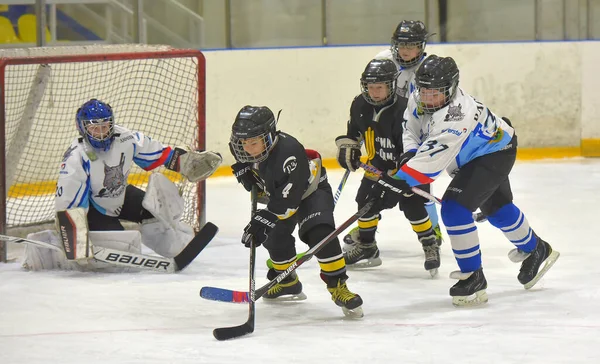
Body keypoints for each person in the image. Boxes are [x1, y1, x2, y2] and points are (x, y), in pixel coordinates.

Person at [371, 55, 560, 306]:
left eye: (435, 93)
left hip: (495, 152)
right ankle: (537, 249)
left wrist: (396, 182)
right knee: (496, 208)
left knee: (455, 209)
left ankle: (473, 276)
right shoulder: (421, 94)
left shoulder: (457, 116)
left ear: (450, 88)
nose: (427, 99)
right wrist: (409, 154)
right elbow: (411, 127)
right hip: (474, 153)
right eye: (424, 92)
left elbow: (428, 167)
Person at [22, 99, 222, 271]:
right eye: (94, 127)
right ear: (83, 128)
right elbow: (69, 203)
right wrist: (76, 242)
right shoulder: (76, 157)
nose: (101, 133)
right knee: (120, 254)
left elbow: (158, 153)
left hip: (121, 195)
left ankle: (176, 249)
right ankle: (63, 248)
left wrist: (186, 162)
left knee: (154, 210)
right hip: (95, 209)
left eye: (105, 126)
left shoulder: (126, 138)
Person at [230, 105, 363, 318]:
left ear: (269, 136)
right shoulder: (249, 149)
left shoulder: (288, 152)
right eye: (243, 143)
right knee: (274, 238)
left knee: (320, 233)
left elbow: (289, 203)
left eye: (253, 142)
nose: (248, 148)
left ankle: (338, 286)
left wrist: (265, 219)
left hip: (311, 192)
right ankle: (287, 282)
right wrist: (250, 178)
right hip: (282, 198)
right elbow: (266, 185)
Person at [335, 58, 441, 276]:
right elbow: (354, 133)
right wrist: (349, 148)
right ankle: (367, 247)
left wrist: (398, 177)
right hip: (376, 167)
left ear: (392, 85)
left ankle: (429, 243)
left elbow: (413, 147)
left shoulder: (405, 109)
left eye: (379, 88)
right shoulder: (359, 104)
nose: (374, 93)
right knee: (364, 203)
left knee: (413, 207)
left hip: (408, 170)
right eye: (370, 87)